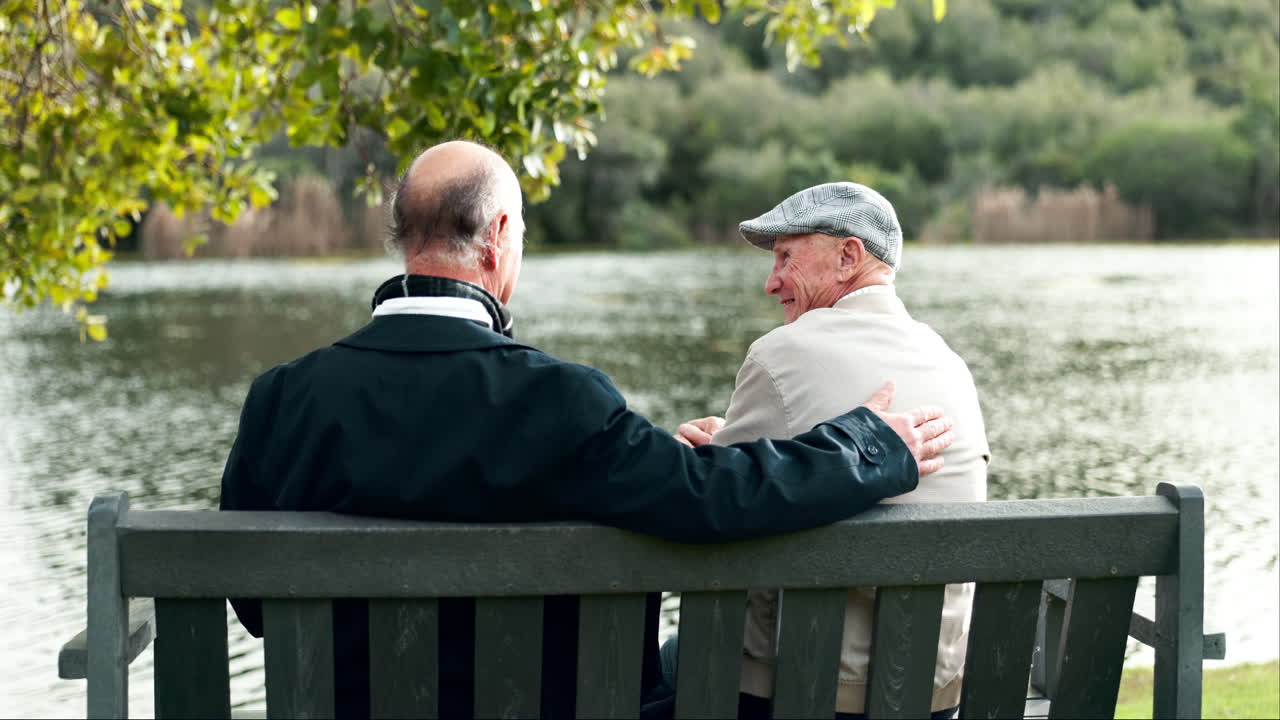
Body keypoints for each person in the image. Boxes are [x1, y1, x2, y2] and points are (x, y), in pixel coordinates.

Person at [219, 144, 956, 719]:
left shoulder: (280, 401)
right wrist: (866, 446)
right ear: (500, 237)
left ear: (403, 238)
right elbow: (705, 500)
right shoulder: (560, 403)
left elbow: (251, 602)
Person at [675, 182, 991, 719]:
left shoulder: (781, 354)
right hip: (931, 694)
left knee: (658, 664)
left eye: (784, 258)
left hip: (801, 689)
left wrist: (712, 454)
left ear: (849, 256)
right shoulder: (950, 365)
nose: (771, 283)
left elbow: (710, 504)